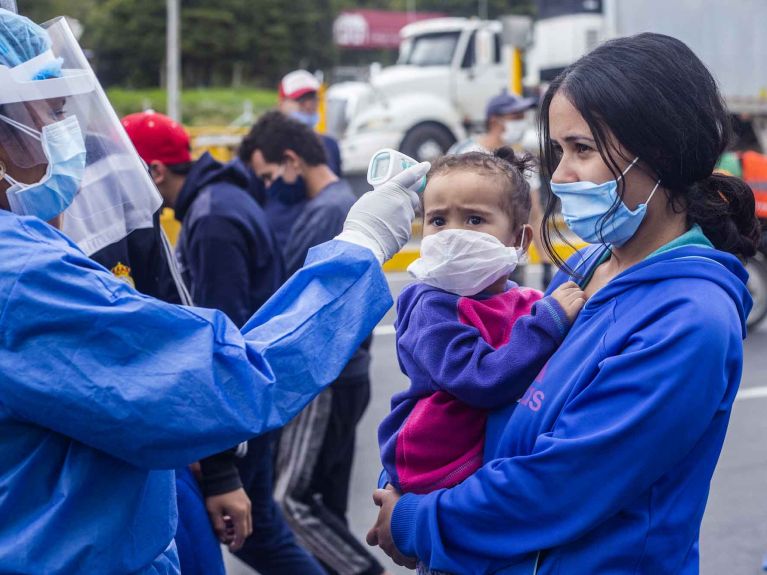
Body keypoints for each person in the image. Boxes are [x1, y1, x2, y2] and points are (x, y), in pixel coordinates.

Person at [0, 10, 429, 574]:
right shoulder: (23, 278)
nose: (69, 134)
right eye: (54, 113)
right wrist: (362, 247)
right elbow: (224, 381)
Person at [367, 32, 761, 574]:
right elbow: (483, 395)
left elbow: (560, 485)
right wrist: (409, 476)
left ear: (662, 152)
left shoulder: (689, 320)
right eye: (557, 152)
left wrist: (421, 521)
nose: (561, 176)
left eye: (583, 150)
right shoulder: (589, 265)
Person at [123, 111, 326, 575]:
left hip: (240, 398)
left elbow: (221, 330)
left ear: (153, 171)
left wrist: (215, 450)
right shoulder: (218, 200)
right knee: (262, 534)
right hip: (250, 391)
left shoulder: (212, 219)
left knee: (260, 536)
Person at [377, 149, 585, 574]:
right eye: (438, 220)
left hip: (476, 474)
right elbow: (480, 379)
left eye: (473, 220)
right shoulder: (428, 306)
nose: (452, 233)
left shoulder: (522, 302)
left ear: (518, 240)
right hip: (434, 465)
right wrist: (548, 323)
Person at [241, 110, 388, 575]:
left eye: (268, 176)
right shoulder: (332, 205)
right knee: (325, 502)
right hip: (339, 373)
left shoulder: (326, 212)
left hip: (324, 376)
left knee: (290, 500)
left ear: (291, 161)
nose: (268, 188)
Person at [448, 91, 551, 288]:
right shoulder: (465, 154)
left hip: (513, 263)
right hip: (472, 261)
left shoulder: (523, 161)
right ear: (496, 120)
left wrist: (546, 262)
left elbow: (535, 214)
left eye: (523, 117)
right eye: (516, 117)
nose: (522, 122)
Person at [279, 69, 342, 177]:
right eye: (301, 100)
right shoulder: (271, 147)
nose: (308, 106)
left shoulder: (330, 145)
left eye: (312, 99)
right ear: (282, 103)